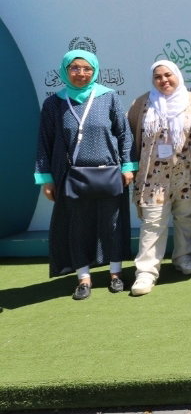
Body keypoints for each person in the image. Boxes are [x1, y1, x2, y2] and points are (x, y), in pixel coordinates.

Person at [35, 49, 137, 300]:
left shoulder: (108, 97)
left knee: (112, 224)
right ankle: (83, 278)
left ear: (95, 71)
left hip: (108, 173)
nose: (81, 73)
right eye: (74, 68)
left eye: (87, 68)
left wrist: (127, 167)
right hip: (70, 176)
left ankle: (115, 274)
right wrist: (46, 179)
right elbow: (45, 143)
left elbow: (124, 134)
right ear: (65, 71)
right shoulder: (54, 103)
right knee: (77, 227)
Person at [127, 60, 191, 296]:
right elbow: (130, 138)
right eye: (158, 77)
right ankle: (146, 272)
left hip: (186, 173)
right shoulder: (141, 103)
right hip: (153, 176)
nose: (164, 80)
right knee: (152, 222)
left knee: (185, 218)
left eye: (168, 75)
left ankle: (183, 257)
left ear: (177, 75)